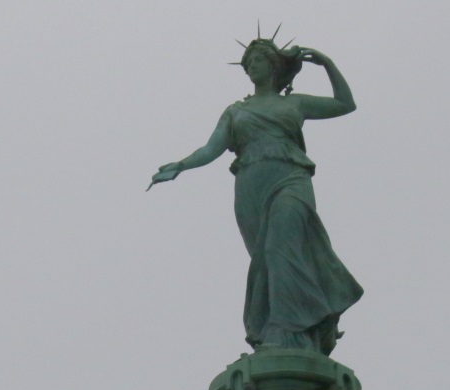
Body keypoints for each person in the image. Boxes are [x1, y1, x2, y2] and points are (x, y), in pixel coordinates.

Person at [150, 38, 363, 356]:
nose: (251, 66)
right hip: (251, 185)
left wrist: (328, 64)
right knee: (265, 260)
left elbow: (345, 104)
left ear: (273, 65)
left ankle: (289, 329)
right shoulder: (236, 111)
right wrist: (181, 165)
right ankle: (279, 326)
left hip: (290, 178)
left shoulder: (295, 104)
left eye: (258, 60)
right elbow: (211, 149)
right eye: (248, 62)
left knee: (282, 249)